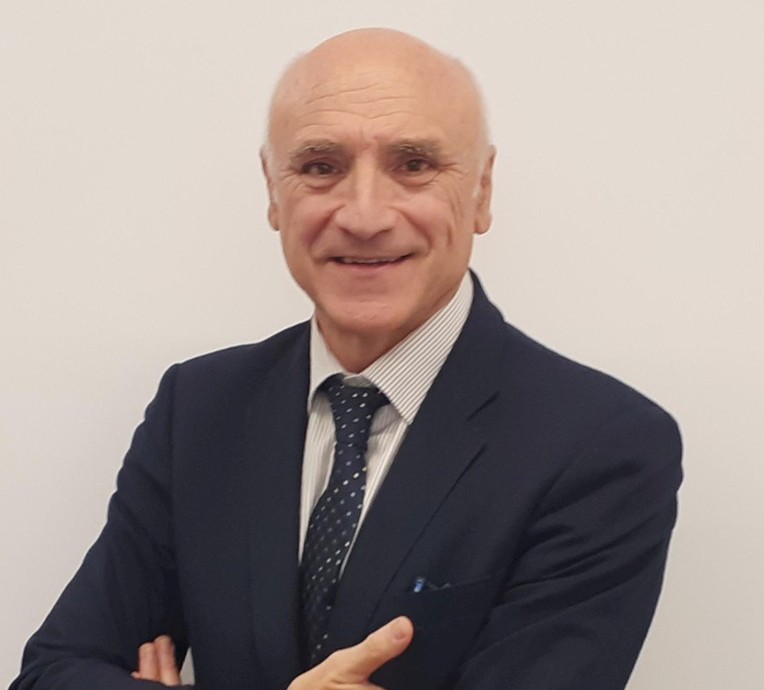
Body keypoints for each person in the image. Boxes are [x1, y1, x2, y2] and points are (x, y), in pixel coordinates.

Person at [11, 28, 683, 690]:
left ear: (481, 191)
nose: (364, 216)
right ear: (273, 191)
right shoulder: (200, 407)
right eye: (320, 167)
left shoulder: (600, 445)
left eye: (413, 165)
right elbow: (51, 673)